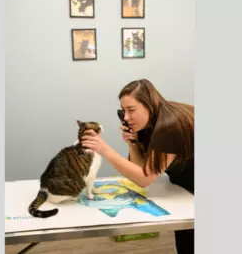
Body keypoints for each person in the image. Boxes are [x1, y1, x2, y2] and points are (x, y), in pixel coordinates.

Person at [81, 79, 194, 254]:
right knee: (187, 237)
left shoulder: (169, 125)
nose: (126, 117)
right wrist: (132, 143)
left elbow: (143, 179)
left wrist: (104, 149)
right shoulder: (148, 123)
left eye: (131, 110)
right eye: (123, 111)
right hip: (185, 182)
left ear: (149, 105)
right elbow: (141, 169)